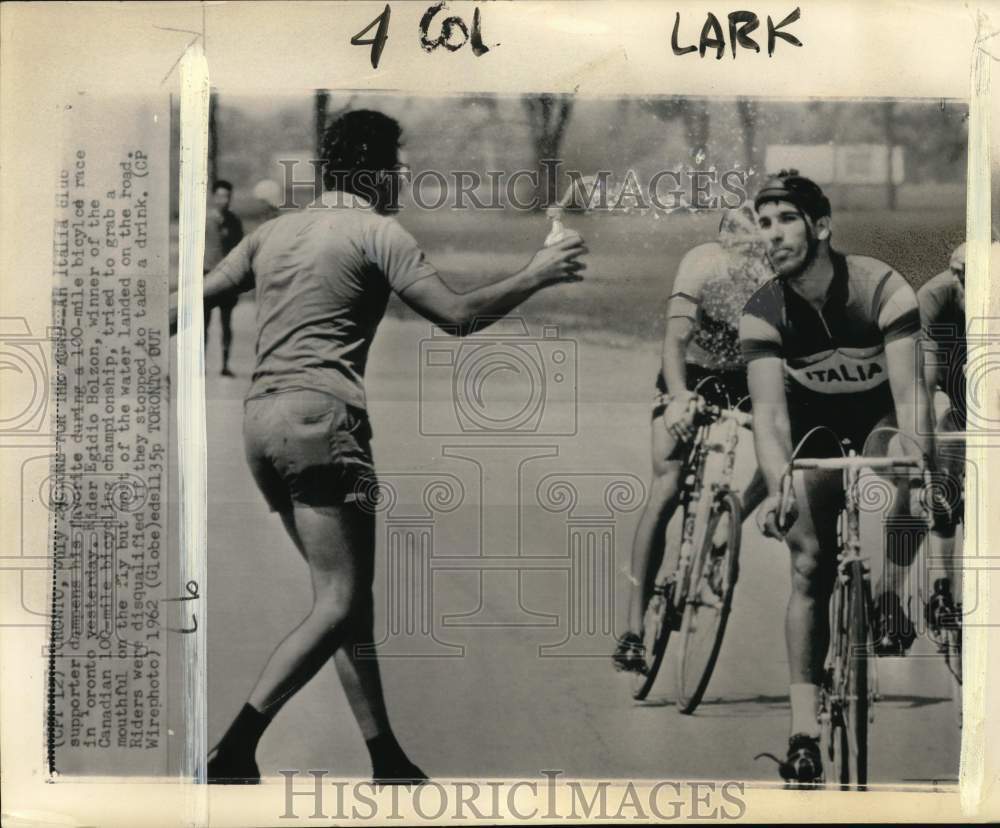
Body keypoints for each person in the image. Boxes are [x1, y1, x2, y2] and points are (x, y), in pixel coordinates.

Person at [170, 110, 588, 784]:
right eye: (396, 164)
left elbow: (186, 302)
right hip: (322, 425)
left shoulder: (274, 234)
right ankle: (235, 748)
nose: (402, 176)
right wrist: (538, 272)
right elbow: (456, 316)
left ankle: (386, 756)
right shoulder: (377, 233)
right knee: (338, 601)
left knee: (344, 602)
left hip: (261, 426)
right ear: (373, 171)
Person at [738, 170, 934, 782]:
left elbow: (910, 396)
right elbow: (769, 419)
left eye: (786, 220)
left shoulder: (882, 289)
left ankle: (892, 589)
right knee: (808, 564)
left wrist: (914, 454)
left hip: (877, 414)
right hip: (809, 426)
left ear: (821, 227)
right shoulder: (763, 310)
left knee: (913, 473)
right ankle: (802, 731)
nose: (772, 235)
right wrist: (777, 488)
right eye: (763, 224)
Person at [612, 206, 771, 673]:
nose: (751, 264)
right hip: (694, 372)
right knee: (666, 485)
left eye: (759, 252)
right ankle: (633, 630)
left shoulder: (780, 274)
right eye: (742, 252)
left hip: (749, 373)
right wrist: (679, 397)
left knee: (784, 447)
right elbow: (674, 343)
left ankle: (732, 520)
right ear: (724, 248)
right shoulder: (700, 265)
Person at [917, 242, 966, 627]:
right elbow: (927, 381)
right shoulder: (934, 297)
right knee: (943, 483)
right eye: (964, 280)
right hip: (947, 390)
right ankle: (941, 589)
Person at [204, 179, 244, 377]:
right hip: (206, 276)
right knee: (203, 324)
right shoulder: (203, 220)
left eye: (227, 196)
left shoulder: (234, 221)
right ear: (213, 197)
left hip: (227, 278)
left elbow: (240, 250)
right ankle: (200, 365)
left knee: (227, 324)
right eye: (219, 196)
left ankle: (225, 364)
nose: (223, 200)